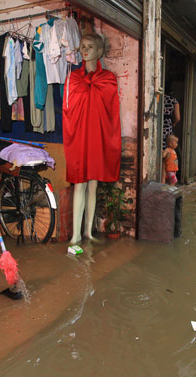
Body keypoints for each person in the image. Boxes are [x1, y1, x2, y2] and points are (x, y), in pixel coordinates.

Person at [63, 33, 122, 245]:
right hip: (79, 136)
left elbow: (110, 111)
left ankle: (88, 231)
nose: (84, 50)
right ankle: (75, 235)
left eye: (89, 46)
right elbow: (68, 110)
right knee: (80, 183)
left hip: (97, 136)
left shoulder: (108, 78)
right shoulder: (73, 78)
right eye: (82, 46)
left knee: (93, 184)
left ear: (99, 51)